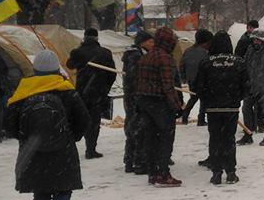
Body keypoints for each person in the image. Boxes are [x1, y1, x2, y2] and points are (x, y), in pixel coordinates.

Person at [5, 50, 89, 200]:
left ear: (35, 70)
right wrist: (72, 136)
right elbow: (83, 119)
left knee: (40, 192)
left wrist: (27, 139)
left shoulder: (23, 91)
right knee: (63, 188)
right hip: (63, 150)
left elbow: (8, 124)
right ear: (55, 69)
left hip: (33, 152)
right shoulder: (66, 90)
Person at [195, 31, 247, 184]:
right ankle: (231, 172)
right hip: (231, 107)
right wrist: (237, 98)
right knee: (229, 139)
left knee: (215, 138)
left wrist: (207, 99)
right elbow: (246, 85)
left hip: (213, 108)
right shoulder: (238, 62)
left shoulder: (206, 62)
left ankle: (216, 172)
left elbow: (199, 87)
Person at [134, 27, 183, 187]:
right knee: (165, 139)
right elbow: (168, 86)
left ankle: (152, 173)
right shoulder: (166, 59)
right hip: (160, 104)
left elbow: (139, 83)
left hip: (145, 103)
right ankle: (164, 173)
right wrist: (177, 106)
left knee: (150, 138)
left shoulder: (145, 57)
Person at [66, 28, 116, 159]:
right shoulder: (105, 53)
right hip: (97, 92)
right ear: (97, 38)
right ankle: (91, 149)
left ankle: (70, 146)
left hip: (81, 91)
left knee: (78, 118)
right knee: (94, 121)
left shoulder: (77, 52)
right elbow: (112, 74)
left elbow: (69, 65)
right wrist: (105, 88)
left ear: (84, 37)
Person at [122, 30, 154, 174]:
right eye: (150, 41)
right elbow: (133, 76)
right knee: (136, 129)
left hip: (135, 96)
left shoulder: (137, 54)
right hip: (135, 97)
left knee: (134, 128)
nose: (153, 44)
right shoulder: (135, 56)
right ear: (143, 42)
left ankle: (131, 160)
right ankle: (132, 160)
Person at [239, 29, 264, 146]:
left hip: (263, 88)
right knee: (246, 109)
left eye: (258, 40)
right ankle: (248, 134)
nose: (255, 42)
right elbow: (245, 66)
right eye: (254, 40)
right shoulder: (250, 50)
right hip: (250, 87)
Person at [179, 29, 212, 126]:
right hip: (202, 79)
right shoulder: (205, 52)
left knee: (193, 98)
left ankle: (185, 116)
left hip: (191, 79)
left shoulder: (187, 51)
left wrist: (184, 77)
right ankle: (201, 119)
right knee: (204, 99)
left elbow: (182, 65)